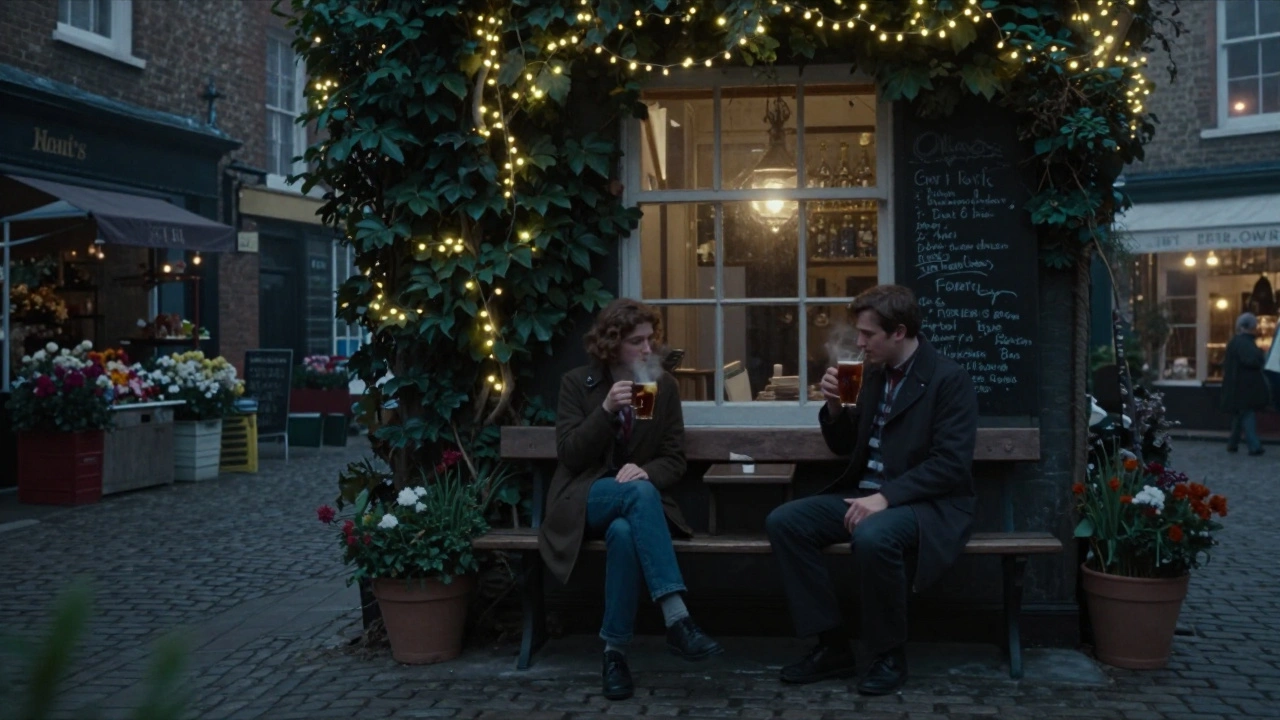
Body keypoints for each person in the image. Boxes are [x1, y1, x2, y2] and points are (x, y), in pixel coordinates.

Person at [765, 284, 977, 695]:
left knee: (873, 535)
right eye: (858, 334)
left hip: (924, 505)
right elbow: (845, 447)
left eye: (868, 335)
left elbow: (950, 465)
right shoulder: (872, 374)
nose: (859, 343)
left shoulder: (949, 379)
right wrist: (833, 407)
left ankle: (888, 654)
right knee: (785, 522)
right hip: (865, 494)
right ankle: (832, 646)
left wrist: (886, 497)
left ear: (898, 332)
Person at [538, 298, 722, 701]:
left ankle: (614, 654)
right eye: (637, 342)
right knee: (636, 496)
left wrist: (647, 471)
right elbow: (570, 455)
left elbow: (673, 459)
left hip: (637, 506)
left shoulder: (661, 385)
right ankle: (677, 618)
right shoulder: (578, 384)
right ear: (611, 344)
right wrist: (605, 411)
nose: (647, 350)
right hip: (584, 497)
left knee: (624, 532)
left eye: (650, 340)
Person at [1221, 312, 1268, 456]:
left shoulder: (1236, 341)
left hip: (1237, 385)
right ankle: (1254, 446)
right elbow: (1252, 361)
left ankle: (1233, 444)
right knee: (1247, 414)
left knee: (1240, 415)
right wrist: (1261, 355)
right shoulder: (1245, 343)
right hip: (1245, 386)